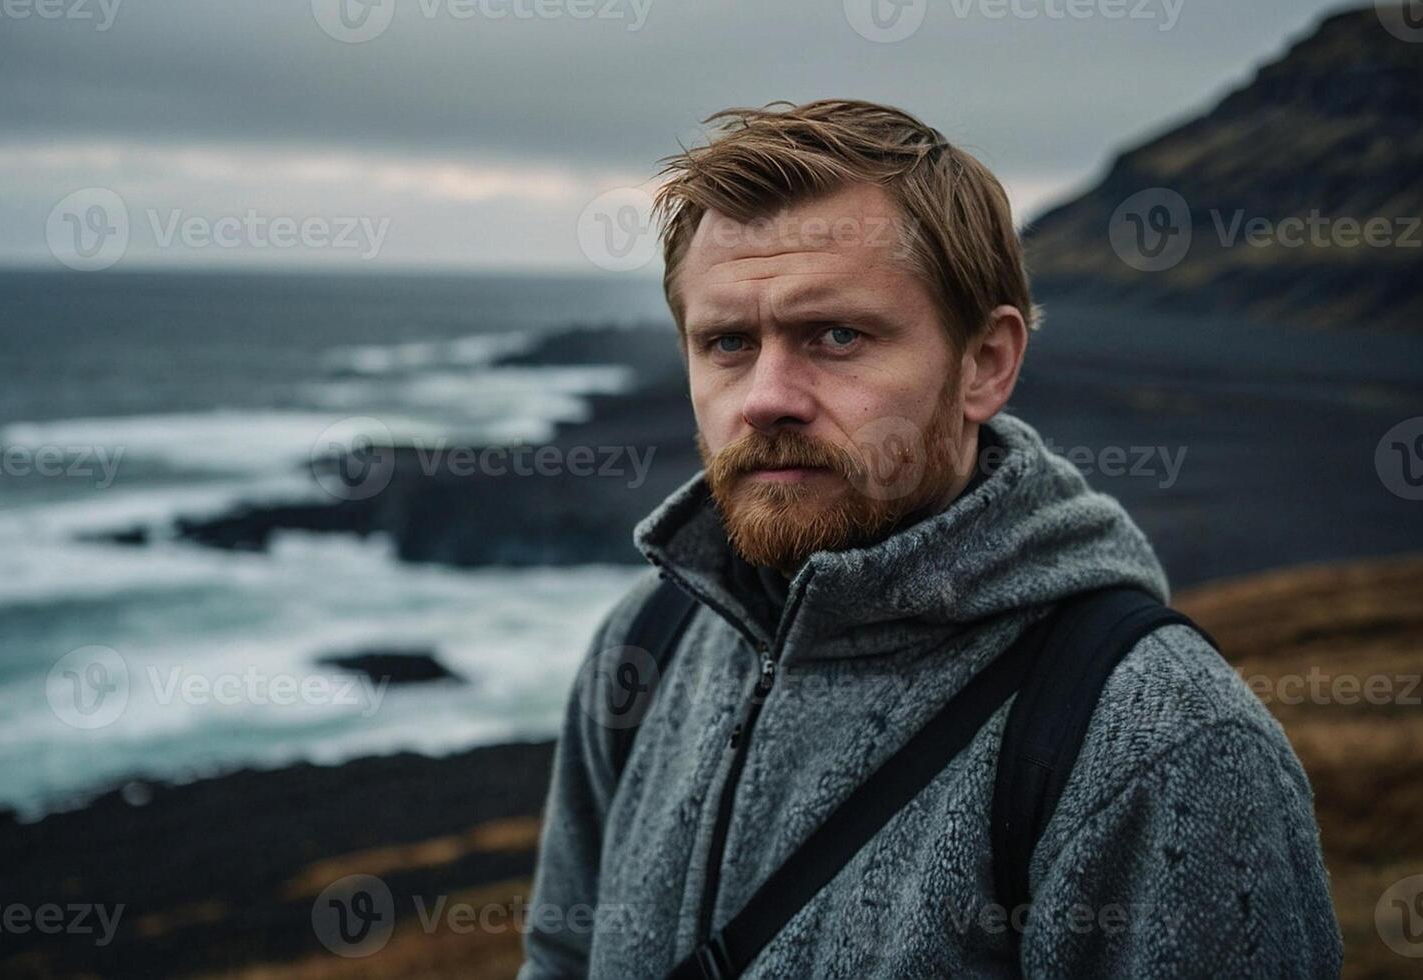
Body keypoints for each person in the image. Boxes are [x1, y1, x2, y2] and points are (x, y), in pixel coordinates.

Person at [519, 99, 1342, 978]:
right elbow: (563, 956)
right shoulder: (644, 645)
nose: (765, 397)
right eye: (726, 342)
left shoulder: (1163, 742)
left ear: (986, 363)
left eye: (836, 335)